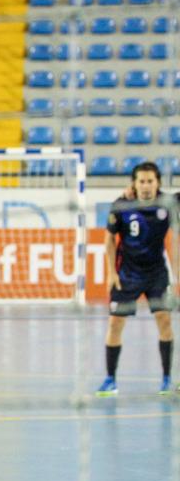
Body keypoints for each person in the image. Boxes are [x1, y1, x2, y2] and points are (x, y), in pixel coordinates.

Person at [97, 161, 176, 396]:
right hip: (127, 274)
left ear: (158, 183)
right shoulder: (121, 205)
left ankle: (166, 379)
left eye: (150, 181)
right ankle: (110, 379)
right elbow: (109, 240)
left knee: (164, 320)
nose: (145, 186)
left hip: (156, 274)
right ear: (134, 183)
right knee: (115, 324)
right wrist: (111, 273)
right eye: (141, 181)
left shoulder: (168, 203)